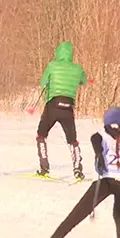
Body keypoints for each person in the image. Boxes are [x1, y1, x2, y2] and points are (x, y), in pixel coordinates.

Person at [24, 107, 120, 238]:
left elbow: (95, 139)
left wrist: (99, 155)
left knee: (76, 215)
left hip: (106, 178)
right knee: (119, 214)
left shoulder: (102, 134)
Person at [36, 41, 88, 181]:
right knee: (72, 140)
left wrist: (46, 90)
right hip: (68, 107)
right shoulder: (77, 68)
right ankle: (78, 170)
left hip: (52, 105)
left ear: (58, 53)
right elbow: (84, 81)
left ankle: (44, 168)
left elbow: (42, 83)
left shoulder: (52, 66)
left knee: (41, 134)